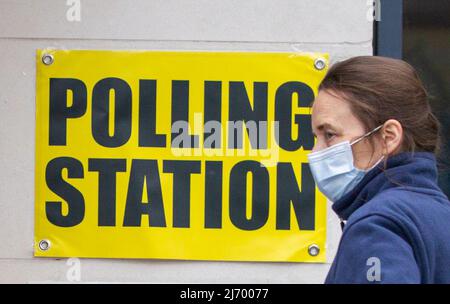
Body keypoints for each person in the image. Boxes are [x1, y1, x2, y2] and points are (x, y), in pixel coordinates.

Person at [307, 56, 450, 283]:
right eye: (316, 137)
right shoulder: (439, 214)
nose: (316, 152)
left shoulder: (377, 225)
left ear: (389, 137)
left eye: (330, 135)